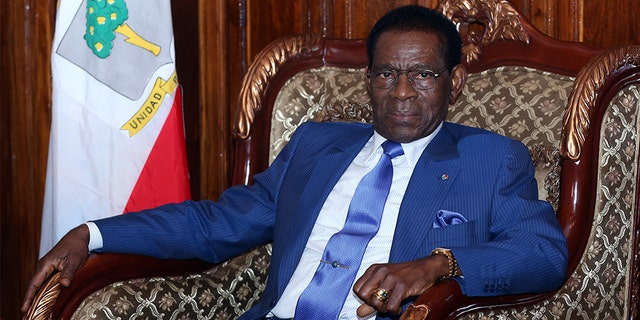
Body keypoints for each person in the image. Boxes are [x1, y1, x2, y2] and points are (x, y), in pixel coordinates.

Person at [23, 5, 568, 320]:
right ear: (369, 79)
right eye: (385, 74)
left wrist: (438, 264)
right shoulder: (316, 146)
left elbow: (542, 254)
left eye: (423, 74)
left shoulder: (491, 159)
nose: (401, 92)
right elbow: (216, 224)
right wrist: (90, 234)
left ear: (454, 81)